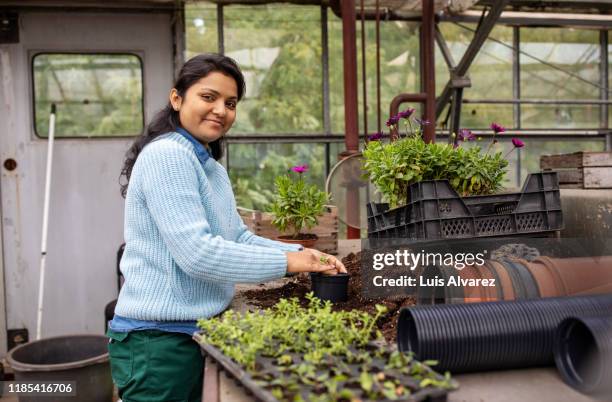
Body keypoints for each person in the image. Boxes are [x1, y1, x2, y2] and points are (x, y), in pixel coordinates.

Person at [108, 53, 346, 402]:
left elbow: (237, 237)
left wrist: (301, 253)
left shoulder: (209, 167)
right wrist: (290, 263)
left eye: (230, 103)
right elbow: (198, 255)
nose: (221, 110)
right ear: (177, 99)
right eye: (209, 97)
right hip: (157, 344)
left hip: (190, 335)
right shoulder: (168, 156)